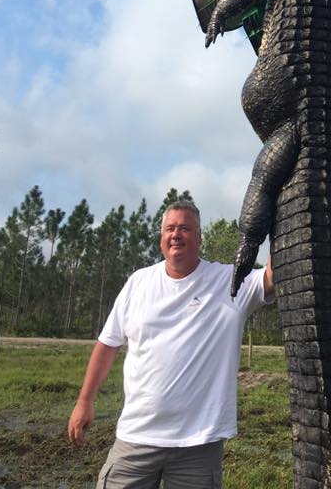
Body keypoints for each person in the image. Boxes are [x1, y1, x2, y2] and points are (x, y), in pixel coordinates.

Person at [67, 198, 273, 489]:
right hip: (137, 437)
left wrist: (284, 210)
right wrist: (84, 401)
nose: (176, 234)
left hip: (198, 443)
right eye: (170, 228)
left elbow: (275, 275)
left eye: (186, 228)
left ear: (200, 237)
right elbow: (107, 344)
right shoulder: (138, 283)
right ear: (161, 237)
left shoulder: (231, 281)